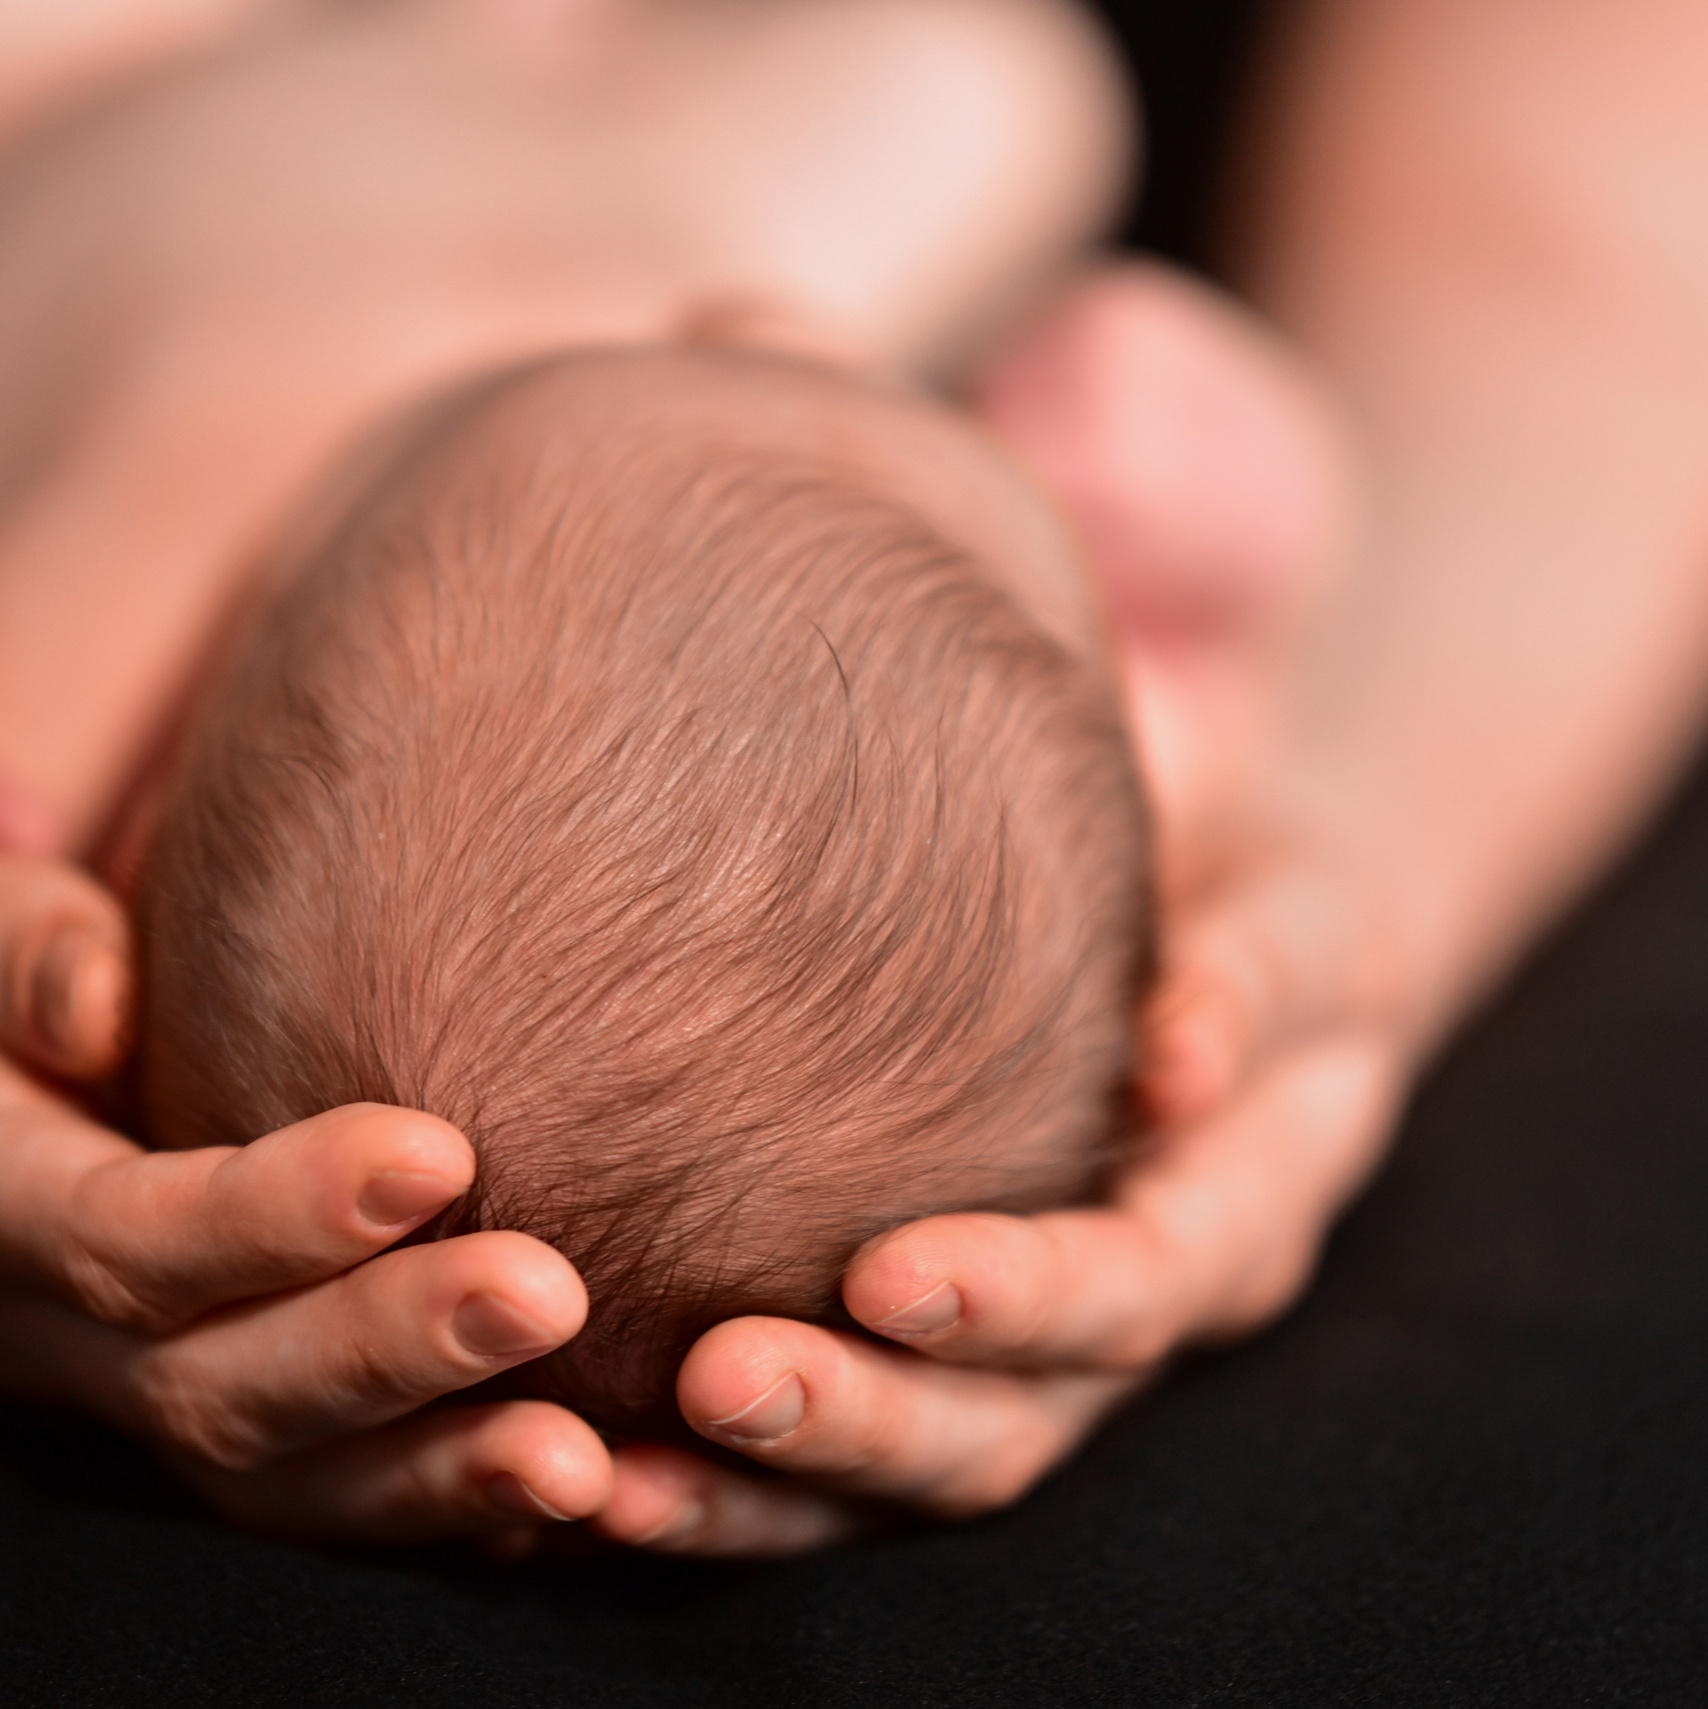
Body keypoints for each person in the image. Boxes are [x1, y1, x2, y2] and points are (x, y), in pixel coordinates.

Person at [7, 0, 1708, 1569]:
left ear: (141, 839)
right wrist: (1237, 532)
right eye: (878, 392)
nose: (775, 315)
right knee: (996, 87)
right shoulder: (850, 253)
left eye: (730, 361)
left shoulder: (82, 644)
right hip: (661, 113)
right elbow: (1506, 349)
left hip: (140, 103)